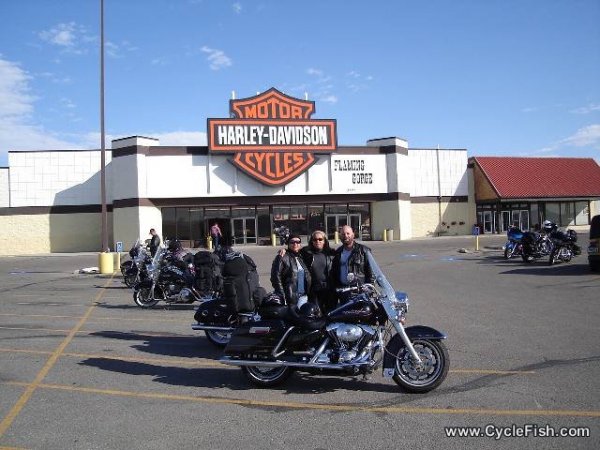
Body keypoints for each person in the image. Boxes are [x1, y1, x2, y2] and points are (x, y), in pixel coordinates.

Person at [270, 234, 311, 308]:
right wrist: (282, 294)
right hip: (290, 296)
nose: (295, 244)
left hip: (303, 295)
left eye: (298, 242)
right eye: (292, 242)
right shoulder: (282, 257)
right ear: (288, 244)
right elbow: (275, 277)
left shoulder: (301, 256)